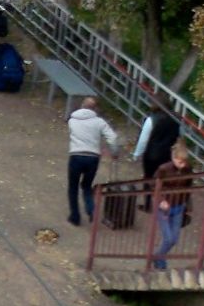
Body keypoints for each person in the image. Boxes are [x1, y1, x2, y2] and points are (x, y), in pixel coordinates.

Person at [66, 96, 120, 226]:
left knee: (73, 187)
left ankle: (75, 216)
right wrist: (114, 153)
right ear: (95, 108)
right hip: (92, 157)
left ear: (82, 105)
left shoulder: (72, 120)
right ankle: (91, 209)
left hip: (76, 155)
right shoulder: (99, 122)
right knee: (86, 185)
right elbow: (112, 138)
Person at [130, 94, 182, 207]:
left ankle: (148, 203)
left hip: (151, 154)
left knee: (148, 178)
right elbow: (178, 137)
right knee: (163, 178)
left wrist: (137, 154)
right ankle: (163, 202)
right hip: (168, 154)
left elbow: (143, 139)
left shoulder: (152, 119)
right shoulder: (176, 119)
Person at [151, 143, 196, 270]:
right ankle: (160, 261)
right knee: (168, 238)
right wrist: (160, 200)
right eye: (180, 161)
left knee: (174, 239)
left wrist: (187, 204)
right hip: (164, 208)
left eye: (184, 162)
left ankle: (158, 256)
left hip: (179, 206)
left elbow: (188, 187)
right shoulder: (164, 169)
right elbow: (154, 185)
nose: (183, 165)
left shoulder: (188, 169)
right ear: (174, 158)